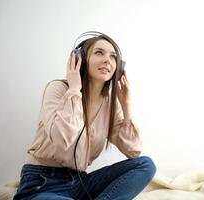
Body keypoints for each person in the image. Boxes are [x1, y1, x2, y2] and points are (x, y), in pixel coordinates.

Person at [13, 32, 156, 200]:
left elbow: (134, 151)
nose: (107, 60)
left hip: (79, 182)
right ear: (79, 59)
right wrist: (74, 89)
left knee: (145, 165)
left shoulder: (111, 105)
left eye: (113, 57)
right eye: (99, 53)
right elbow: (62, 139)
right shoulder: (58, 89)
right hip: (42, 183)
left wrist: (126, 107)